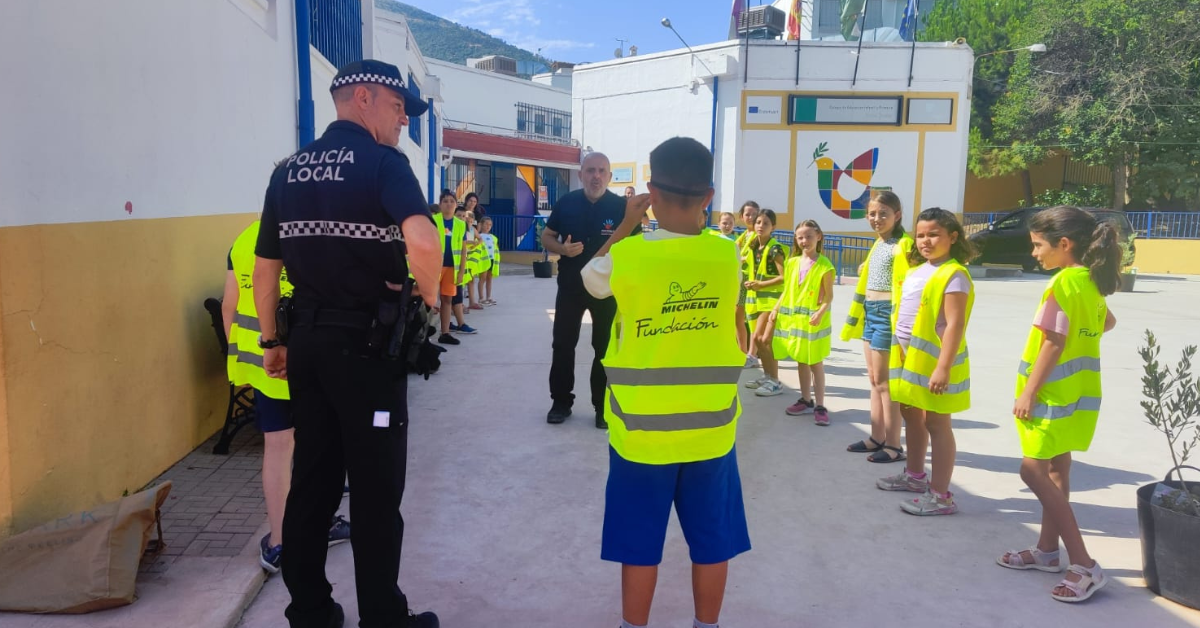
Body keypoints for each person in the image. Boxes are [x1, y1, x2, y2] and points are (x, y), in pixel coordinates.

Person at [252, 59, 442, 628]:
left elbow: (265, 269)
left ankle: (310, 612)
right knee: (376, 490)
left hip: (308, 348)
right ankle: (384, 617)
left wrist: (272, 340)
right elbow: (423, 239)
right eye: (398, 106)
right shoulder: (384, 164)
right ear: (363, 97)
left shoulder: (287, 171)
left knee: (313, 481)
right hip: (368, 353)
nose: (403, 120)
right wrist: (429, 299)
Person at [584, 137, 750, 628]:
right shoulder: (728, 256)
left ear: (650, 193)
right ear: (709, 196)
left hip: (641, 434)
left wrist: (626, 225)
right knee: (712, 542)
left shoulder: (629, 257)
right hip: (711, 432)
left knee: (639, 545)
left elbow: (591, 279)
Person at [996, 206, 1120, 603]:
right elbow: (1108, 322)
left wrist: (1029, 392)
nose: (1034, 253)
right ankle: (1047, 551)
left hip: (1050, 395)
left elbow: (1052, 341)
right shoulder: (1090, 280)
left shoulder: (1063, 282)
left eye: (1038, 245)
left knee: (1032, 470)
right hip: (1078, 395)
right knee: (1056, 469)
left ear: (1064, 244)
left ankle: (1084, 564)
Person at [222, 221, 351, 575]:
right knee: (319, 447)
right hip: (308, 358)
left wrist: (241, 356)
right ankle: (321, 524)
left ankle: (279, 542)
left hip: (261, 361)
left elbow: (229, 305)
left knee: (278, 448)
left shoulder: (245, 238)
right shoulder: (313, 231)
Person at [877, 208, 975, 516]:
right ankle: (915, 476)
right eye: (920, 235)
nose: (925, 241)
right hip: (909, 360)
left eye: (934, 234)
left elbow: (955, 325)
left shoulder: (954, 274)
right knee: (911, 415)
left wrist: (943, 367)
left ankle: (941, 495)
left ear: (953, 237)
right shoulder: (916, 271)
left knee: (936, 423)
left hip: (935, 363)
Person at [541, 152, 639, 428]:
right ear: (581, 174)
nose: (596, 176)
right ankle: (561, 402)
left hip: (607, 290)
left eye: (601, 171)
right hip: (571, 286)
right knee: (563, 344)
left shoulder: (622, 208)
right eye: (591, 170)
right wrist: (562, 249)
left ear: (609, 176)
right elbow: (546, 236)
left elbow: (636, 248)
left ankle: (602, 407)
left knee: (605, 348)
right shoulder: (566, 203)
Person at [842, 191, 912, 463]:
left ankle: (894, 445)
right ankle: (876, 437)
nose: (876, 218)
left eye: (883, 213)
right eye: (872, 213)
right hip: (870, 312)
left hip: (887, 316)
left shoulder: (904, 244)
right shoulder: (879, 243)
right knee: (874, 380)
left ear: (898, 215)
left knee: (886, 383)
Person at [761, 220, 835, 425]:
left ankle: (820, 405)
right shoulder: (792, 263)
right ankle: (806, 400)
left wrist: (820, 313)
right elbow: (787, 290)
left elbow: (829, 296)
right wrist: (775, 309)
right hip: (797, 323)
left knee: (815, 362)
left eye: (809, 236)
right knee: (801, 360)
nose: (804, 241)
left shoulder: (825, 266)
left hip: (814, 323)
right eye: (800, 237)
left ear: (818, 237)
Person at [743, 209, 788, 397]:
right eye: (758, 222)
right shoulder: (754, 245)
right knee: (758, 339)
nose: (761, 226)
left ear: (773, 227)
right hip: (757, 301)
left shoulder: (775, 249)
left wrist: (760, 284)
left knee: (763, 340)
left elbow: (783, 277)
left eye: (766, 223)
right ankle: (768, 376)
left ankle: (774, 381)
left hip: (771, 300)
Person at [434, 191, 473, 344]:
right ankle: (421, 334)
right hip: (434, 268)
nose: (449, 204)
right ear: (440, 204)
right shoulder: (433, 220)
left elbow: (463, 250)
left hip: (451, 268)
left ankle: (445, 333)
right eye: (445, 201)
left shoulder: (461, 224)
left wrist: (461, 271)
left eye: (452, 201)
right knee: (428, 300)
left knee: (447, 300)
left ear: (456, 204)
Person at [734, 202, 761, 367]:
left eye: (754, 214)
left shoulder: (757, 236)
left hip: (749, 282)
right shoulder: (744, 235)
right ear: (741, 216)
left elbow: (751, 257)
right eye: (747, 214)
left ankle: (750, 354)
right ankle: (742, 352)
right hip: (740, 280)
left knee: (749, 320)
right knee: (739, 319)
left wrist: (738, 259)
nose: (751, 217)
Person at [478, 216, 499, 305]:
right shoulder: (479, 236)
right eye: (486, 224)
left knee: (489, 278)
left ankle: (488, 297)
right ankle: (481, 298)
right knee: (482, 278)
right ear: (481, 225)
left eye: (490, 225)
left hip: (491, 260)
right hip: (483, 261)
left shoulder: (493, 237)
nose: (488, 226)